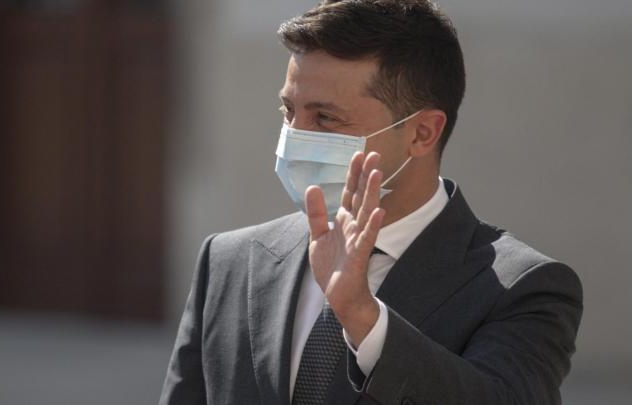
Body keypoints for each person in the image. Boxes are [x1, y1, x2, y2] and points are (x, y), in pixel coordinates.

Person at [159, 1, 583, 404]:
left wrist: (363, 318)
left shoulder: (522, 288)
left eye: (326, 118)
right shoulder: (230, 262)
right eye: (289, 111)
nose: (295, 136)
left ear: (422, 133)